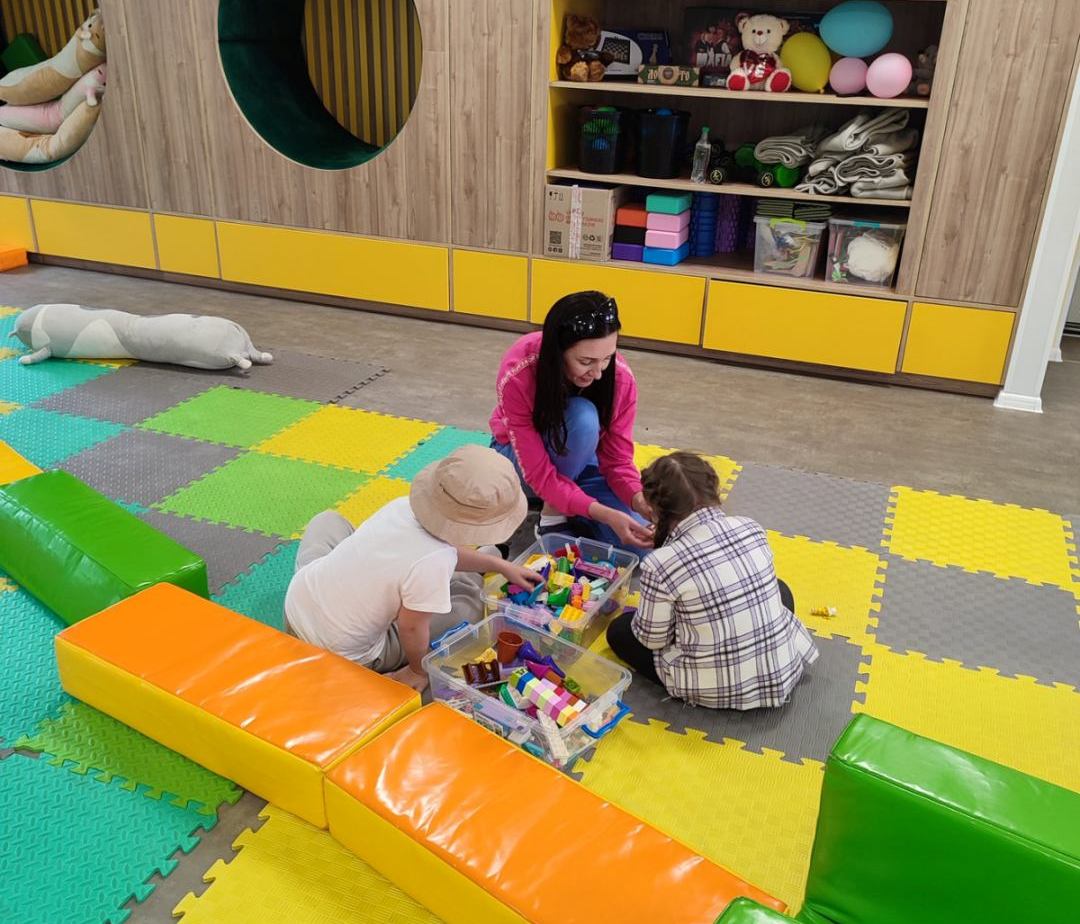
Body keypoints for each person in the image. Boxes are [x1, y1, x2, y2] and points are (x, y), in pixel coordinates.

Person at [283, 445, 540, 692]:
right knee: (469, 604)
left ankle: (485, 559)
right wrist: (418, 670)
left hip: (297, 606)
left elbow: (440, 553)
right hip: (341, 653)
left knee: (328, 521)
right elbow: (411, 628)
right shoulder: (433, 562)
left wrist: (498, 565)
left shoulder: (401, 506)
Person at [606, 451, 818, 709]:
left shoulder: (659, 563)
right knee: (779, 589)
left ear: (655, 510)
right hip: (782, 669)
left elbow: (653, 640)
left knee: (620, 631)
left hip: (714, 687)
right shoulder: (751, 527)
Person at [490, 290, 653, 550]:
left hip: (584, 461)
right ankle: (553, 512)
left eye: (607, 358)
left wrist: (637, 499)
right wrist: (602, 513)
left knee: (640, 543)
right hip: (520, 463)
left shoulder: (620, 379)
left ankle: (570, 501)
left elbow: (617, 460)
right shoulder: (521, 370)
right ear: (558, 352)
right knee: (583, 418)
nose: (598, 373)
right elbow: (538, 472)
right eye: (586, 361)